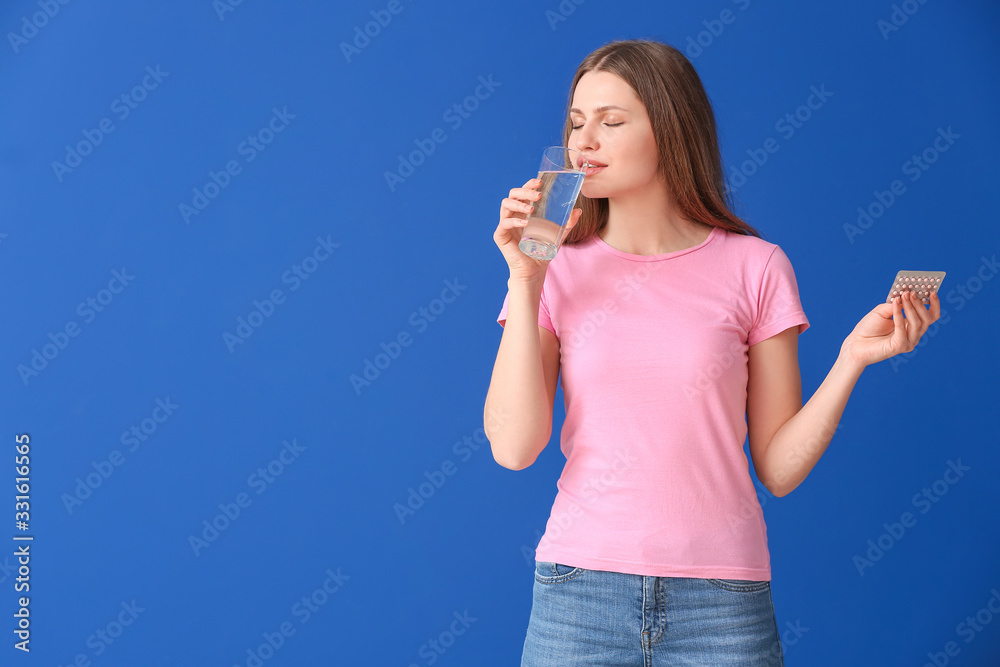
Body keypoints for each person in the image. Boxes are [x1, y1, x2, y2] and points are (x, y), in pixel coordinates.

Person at [483, 39, 941, 666]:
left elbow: (778, 469)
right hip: (578, 594)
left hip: (723, 602)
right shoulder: (553, 271)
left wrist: (851, 360)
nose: (584, 140)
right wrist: (526, 275)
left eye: (612, 121)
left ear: (671, 129)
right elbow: (513, 449)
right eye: (576, 122)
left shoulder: (756, 268)